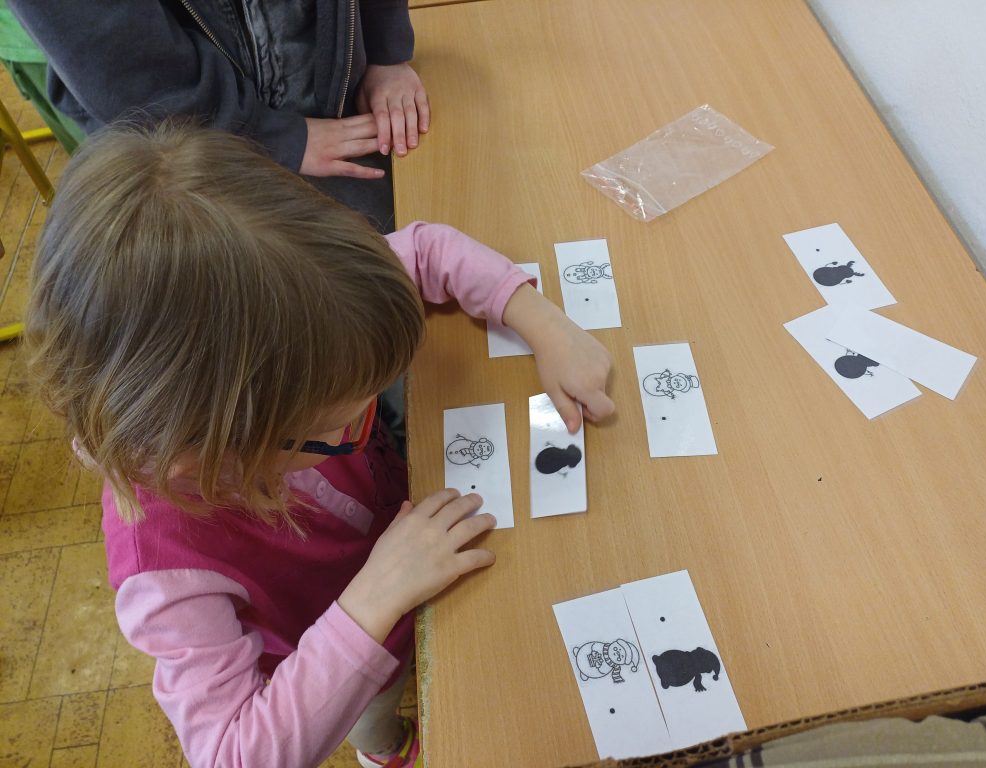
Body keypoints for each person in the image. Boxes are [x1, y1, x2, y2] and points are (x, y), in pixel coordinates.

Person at [24, 120, 614, 768]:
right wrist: (374, 599)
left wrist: (543, 323)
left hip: (416, 561)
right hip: (343, 660)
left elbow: (425, 249)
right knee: (374, 713)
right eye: (341, 427)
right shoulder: (164, 570)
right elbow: (231, 755)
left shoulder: (290, 307)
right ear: (221, 447)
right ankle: (383, 750)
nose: (359, 431)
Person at [7, 0, 427, 230]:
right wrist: (270, 136)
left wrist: (385, 47)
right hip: (185, 140)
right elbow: (121, 63)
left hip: (323, 106)